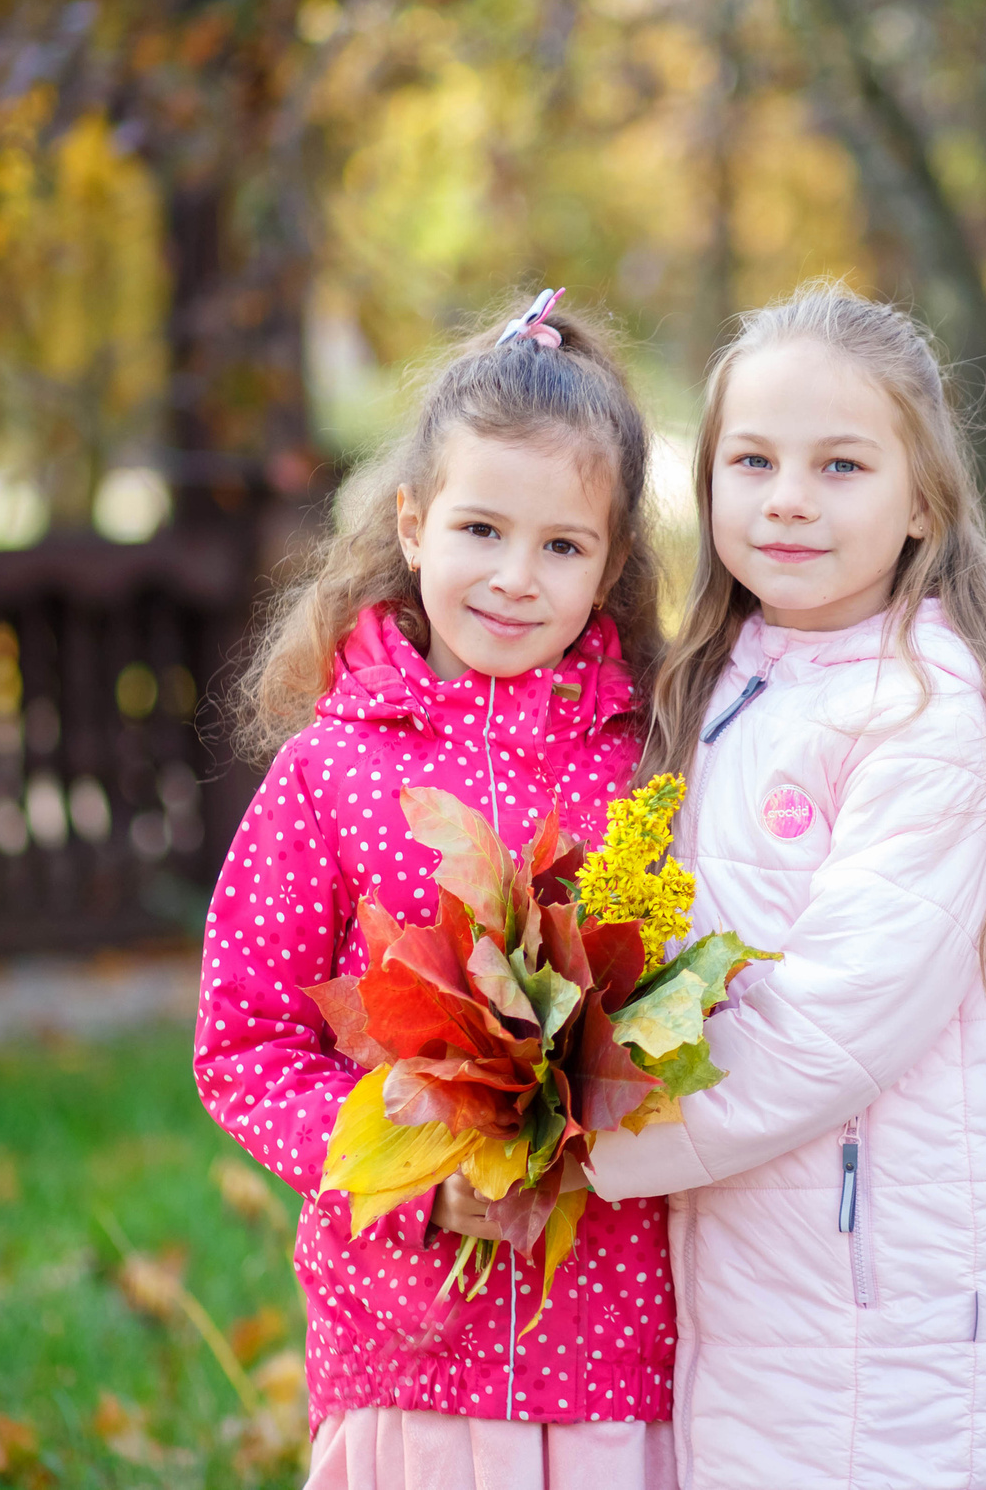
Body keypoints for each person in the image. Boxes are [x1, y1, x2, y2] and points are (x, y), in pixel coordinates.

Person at [586, 280, 986, 1489]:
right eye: (753, 460)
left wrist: (574, 1156)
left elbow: (821, 1029)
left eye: (840, 466)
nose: (786, 499)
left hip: (923, 1281)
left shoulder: (936, 706)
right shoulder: (718, 683)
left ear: (923, 497)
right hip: (777, 1258)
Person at [195, 291, 678, 1490]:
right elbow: (244, 1043)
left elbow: (674, 1003)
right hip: (406, 1338)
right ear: (412, 524)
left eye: (562, 547)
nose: (515, 578)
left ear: (611, 566)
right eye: (480, 530)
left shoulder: (649, 765)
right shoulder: (332, 771)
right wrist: (411, 1175)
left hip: (613, 1334)